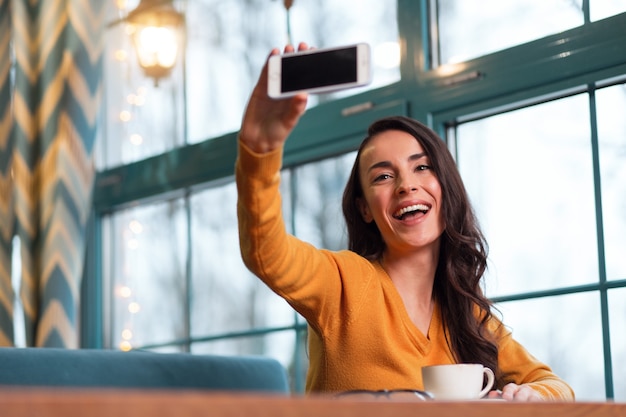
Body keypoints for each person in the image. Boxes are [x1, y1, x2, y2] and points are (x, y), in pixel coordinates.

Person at [235, 42, 575, 401]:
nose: (406, 185)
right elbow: (266, 252)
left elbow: (555, 386)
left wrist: (531, 397)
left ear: (446, 187)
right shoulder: (343, 283)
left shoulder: (468, 317)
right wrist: (259, 148)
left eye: (422, 167)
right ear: (365, 209)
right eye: (383, 176)